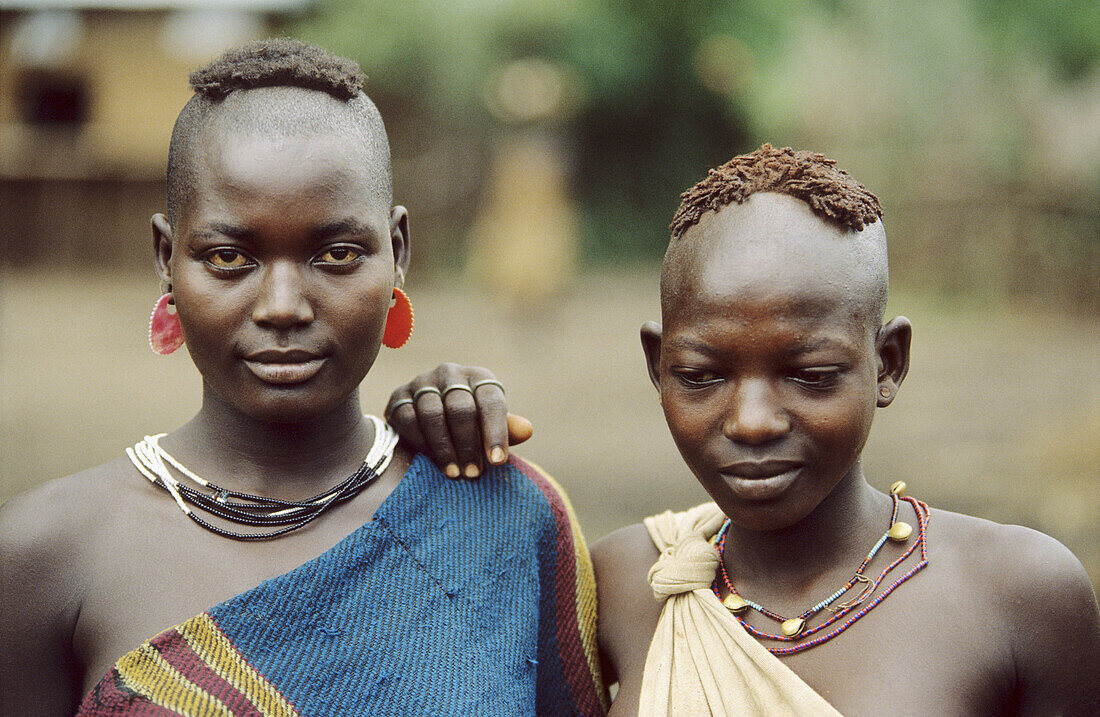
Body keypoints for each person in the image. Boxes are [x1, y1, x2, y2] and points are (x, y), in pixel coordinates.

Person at [0, 40, 607, 716]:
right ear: (166, 257)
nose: (283, 305)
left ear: (397, 252)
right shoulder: (48, 555)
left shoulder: (501, 520)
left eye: (338, 253)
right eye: (229, 256)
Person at [389, 145, 1100, 715]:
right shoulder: (617, 586)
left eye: (811, 374)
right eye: (701, 375)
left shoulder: (1016, 595)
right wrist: (420, 461)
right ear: (657, 363)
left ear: (888, 362)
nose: (752, 422)